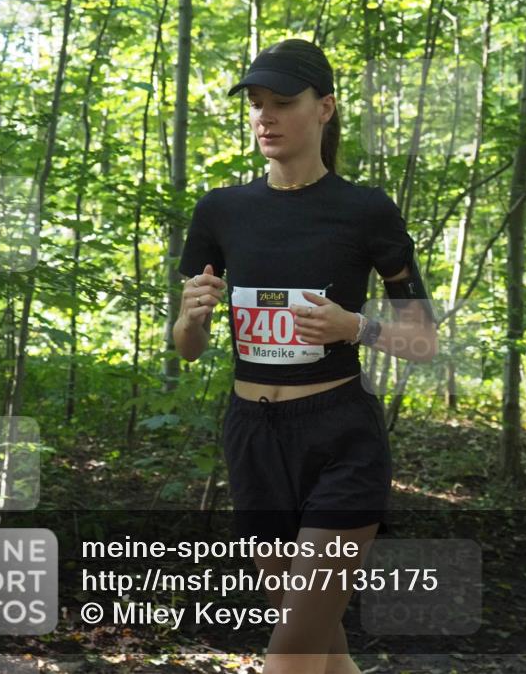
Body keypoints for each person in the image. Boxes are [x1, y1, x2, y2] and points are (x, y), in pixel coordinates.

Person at [172, 38, 437, 674]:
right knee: (319, 643)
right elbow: (187, 348)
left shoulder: (365, 210)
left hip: (339, 435)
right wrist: (190, 319)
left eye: (282, 102)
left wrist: (358, 327)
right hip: (253, 438)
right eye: (257, 104)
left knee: (288, 652)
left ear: (325, 109)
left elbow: (423, 343)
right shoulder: (221, 210)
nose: (265, 116)